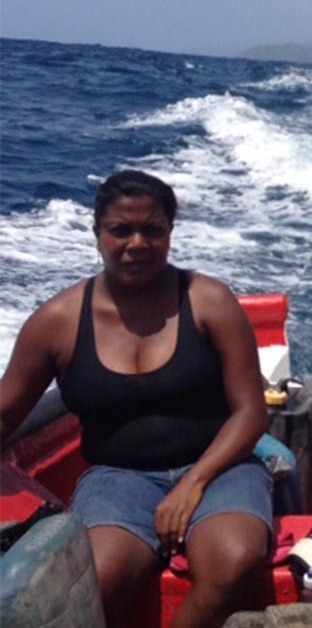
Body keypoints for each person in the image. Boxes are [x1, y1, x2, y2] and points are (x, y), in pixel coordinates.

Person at [0, 170, 273, 627]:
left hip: (220, 467)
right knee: (96, 580)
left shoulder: (209, 301)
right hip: (117, 478)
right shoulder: (57, 322)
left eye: (152, 230)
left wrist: (193, 483)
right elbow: (5, 414)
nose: (137, 243)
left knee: (235, 561)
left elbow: (251, 413)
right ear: (97, 233)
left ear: (170, 233)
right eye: (121, 230)